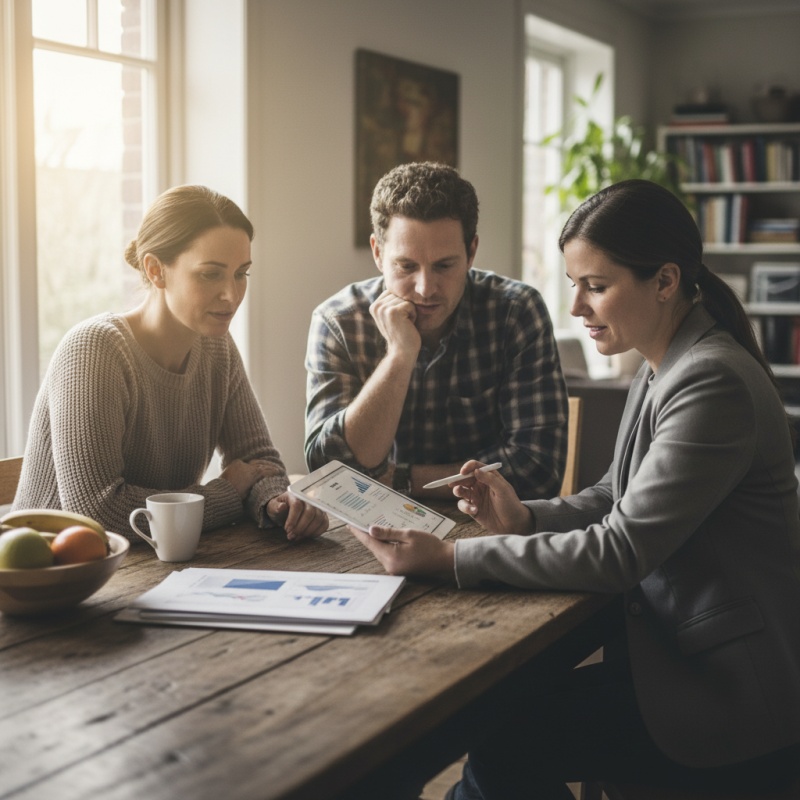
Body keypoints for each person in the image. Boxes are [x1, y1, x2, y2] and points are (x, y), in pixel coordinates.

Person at [350, 179, 800, 797]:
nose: (577, 308)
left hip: (727, 691)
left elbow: (620, 550)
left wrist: (451, 558)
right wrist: (525, 518)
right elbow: (615, 497)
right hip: (681, 658)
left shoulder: (709, 381)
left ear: (665, 281)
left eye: (596, 286)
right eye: (574, 285)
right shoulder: (667, 363)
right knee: (500, 730)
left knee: (502, 739)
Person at [13, 185, 327, 543]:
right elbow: (98, 512)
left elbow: (259, 460)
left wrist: (276, 502)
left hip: (157, 559)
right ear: (156, 270)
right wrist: (226, 494)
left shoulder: (217, 347)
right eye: (210, 274)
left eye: (241, 273)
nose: (231, 295)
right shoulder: (94, 350)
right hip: (52, 566)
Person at [304, 161, 568, 499]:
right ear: (378, 253)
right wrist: (399, 356)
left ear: (471, 252)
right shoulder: (339, 322)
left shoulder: (516, 312)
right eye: (406, 266)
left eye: (444, 266)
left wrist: (401, 480)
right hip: (370, 523)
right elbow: (328, 471)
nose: (425, 288)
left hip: (487, 524)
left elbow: (539, 469)